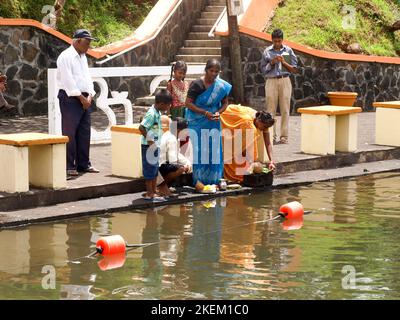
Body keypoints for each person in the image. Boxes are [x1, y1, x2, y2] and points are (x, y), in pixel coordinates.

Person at [56, 29, 99, 177]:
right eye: (87, 43)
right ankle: (69, 166)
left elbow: (87, 78)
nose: (88, 46)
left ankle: (84, 164)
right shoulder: (65, 56)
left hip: (85, 98)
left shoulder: (83, 57)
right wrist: (81, 98)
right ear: (78, 41)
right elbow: (68, 82)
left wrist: (90, 96)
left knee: (84, 132)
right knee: (70, 133)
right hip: (70, 98)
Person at [185, 59, 232, 186]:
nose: (214, 74)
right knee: (200, 150)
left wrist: (218, 113)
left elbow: (225, 103)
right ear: (206, 70)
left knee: (214, 150)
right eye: (211, 71)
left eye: (217, 72)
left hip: (213, 121)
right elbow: (188, 103)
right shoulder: (197, 84)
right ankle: (199, 181)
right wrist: (204, 113)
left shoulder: (221, 86)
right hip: (197, 121)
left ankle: (214, 180)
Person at [261, 28, 298, 145]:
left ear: (282, 40)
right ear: (272, 40)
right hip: (271, 81)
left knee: (285, 109)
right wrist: (272, 62)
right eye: (275, 41)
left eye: (279, 41)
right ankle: (271, 135)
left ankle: (284, 136)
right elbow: (263, 70)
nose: (277, 43)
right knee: (270, 110)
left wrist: (283, 62)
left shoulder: (287, 51)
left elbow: (294, 69)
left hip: (285, 80)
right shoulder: (267, 51)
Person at [221, 105, 276, 183]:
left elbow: (268, 143)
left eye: (266, 127)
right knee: (235, 160)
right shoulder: (248, 125)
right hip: (225, 117)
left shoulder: (262, 120)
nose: (264, 129)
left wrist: (272, 161)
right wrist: (252, 163)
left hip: (235, 117)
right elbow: (243, 149)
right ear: (259, 120)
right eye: (264, 127)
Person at [139, 89, 172, 201]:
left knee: (154, 169)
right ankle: (150, 193)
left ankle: (153, 191)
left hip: (154, 146)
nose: (168, 108)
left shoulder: (157, 112)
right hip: (149, 147)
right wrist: (150, 141)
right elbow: (142, 127)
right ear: (162, 104)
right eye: (168, 106)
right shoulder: (151, 113)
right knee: (149, 170)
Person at [157, 116, 192, 197]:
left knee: (182, 166)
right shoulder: (172, 139)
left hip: (161, 164)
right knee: (181, 168)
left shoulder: (169, 134)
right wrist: (186, 166)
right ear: (179, 130)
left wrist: (187, 162)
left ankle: (164, 186)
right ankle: (161, 186)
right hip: (159, 167)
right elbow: (173, 160)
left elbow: (177, 154)